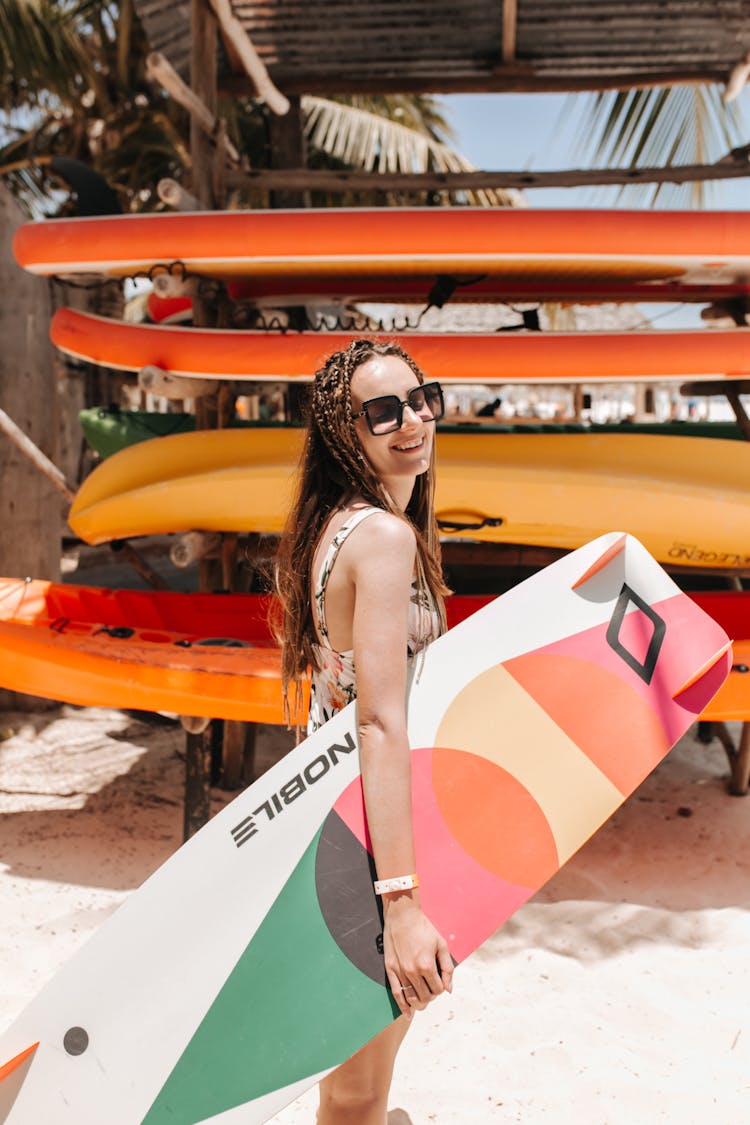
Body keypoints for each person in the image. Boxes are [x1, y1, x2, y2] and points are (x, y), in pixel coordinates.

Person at [274, 339, 454, 1124]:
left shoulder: (346, 527)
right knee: (356, 1091)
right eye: (382, 411)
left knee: (357, 1083)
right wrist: (402, 903)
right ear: (346, 433)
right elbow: (377, 721)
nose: (410, 420)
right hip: (364, 848)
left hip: (344, 828)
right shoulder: (382, 540)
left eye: (421, 399)